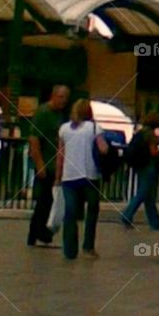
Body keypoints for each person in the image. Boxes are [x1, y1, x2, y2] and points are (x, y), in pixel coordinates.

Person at [56, 98, 107, 260]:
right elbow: (103, 149)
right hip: (90, 175)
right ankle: (88, 246)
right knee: (92, 210)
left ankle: (70, 250)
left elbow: (60, 155)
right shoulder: (94, 128)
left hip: (68, 176)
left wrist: (58, 177)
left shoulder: (64, 129)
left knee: (70, 212)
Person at [26, 85, 70, 247]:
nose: (63, 101)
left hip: (55, 164)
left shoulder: (62, 115)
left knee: (49, 200)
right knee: (44, 200)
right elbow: (34, 139)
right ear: (53, 96)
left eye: (65, 98)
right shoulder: (43, 113)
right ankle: (36, 232)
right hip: (46, 163)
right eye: (60, 97)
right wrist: (40, 164)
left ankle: (40, 232)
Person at [120, 113, 159, 231]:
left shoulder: (140, 133)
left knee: (147, 195)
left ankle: (154, 221)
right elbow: (153, 152)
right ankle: (127, 215)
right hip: (148, 165)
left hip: (139, 165)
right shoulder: (150, 135)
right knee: (144, 193)